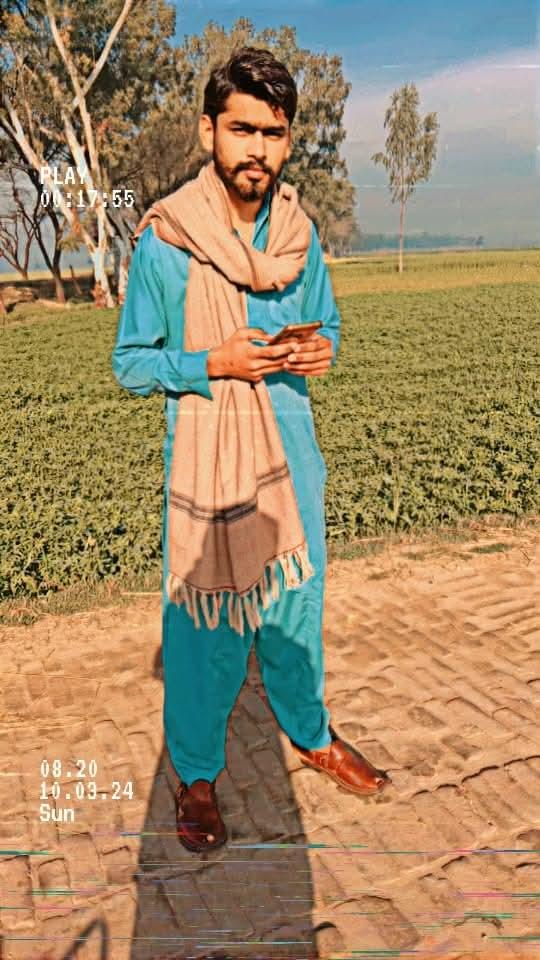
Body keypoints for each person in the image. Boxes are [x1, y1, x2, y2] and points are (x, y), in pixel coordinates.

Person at [112, 46, 390, 853]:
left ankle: (311, 734)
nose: (257, 150)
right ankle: (197, 774)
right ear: (209, 131)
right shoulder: (167, 241)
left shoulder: (300, 235)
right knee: (204, 630)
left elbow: (328, 323)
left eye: (273, 133)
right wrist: (212, 363)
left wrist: (323, 347)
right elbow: (131, 363)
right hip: (212, 470)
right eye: (242, 130)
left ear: (288, 140)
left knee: (297, 612)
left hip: (293, 459)